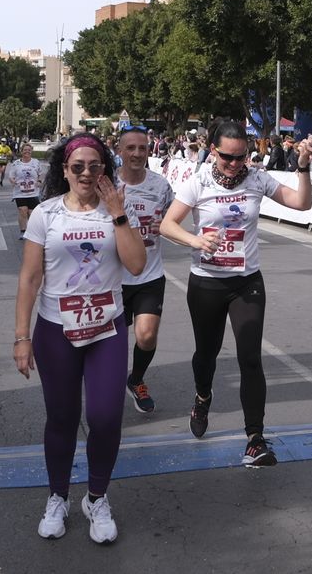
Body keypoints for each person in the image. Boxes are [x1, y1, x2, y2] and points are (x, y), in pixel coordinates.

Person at [159, 120, 312, 467]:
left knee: (250, 358)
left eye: (240, 156)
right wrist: (195, 240)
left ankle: (255, 439)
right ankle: (202, 397)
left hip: (246, 281)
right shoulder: (197, 182)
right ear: (213, 150)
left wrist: (303, 168)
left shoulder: (258, 178)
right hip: (207, 281)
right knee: (207, 353)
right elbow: (167, 225)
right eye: (227, 157)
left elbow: (302, 204)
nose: (234, 164)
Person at [14, 134, 145, 545]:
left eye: (95, 166)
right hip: (56, 329)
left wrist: (119, 214)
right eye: (78, 167)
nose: (87, 173)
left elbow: (138, 266)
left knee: (106, 417)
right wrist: (22, 336)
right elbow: (30, 277)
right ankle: (57, 496)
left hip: (107, 329)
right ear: (64, 170)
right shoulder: (46, 214)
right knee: (63, 417)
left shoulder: (116, 211)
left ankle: (96, 497)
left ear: (105, 169)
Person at [114, 126, 175, 414]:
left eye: (142, 148)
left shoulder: (161, 186)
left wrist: (168, 228)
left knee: (146, 335)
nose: (138, 153)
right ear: (119, 150)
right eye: (131, 148)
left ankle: (136, 380)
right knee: (111, 344)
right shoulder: (107, 185)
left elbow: (173, 222)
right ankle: (107, 388)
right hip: (112, 279)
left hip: (150, 275)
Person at [8, 143, 47, 239]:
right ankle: (23, 231)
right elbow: (11, 176)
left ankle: (32, 230)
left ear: (31, 151)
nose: (27, 152)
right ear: (21, 151)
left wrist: (39, 181)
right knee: (22, 210)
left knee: (32, 213)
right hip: (20, 192)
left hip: (33, 192)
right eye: (25, 150)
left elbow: (41, 174)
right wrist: (13, 181)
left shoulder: (36, 162)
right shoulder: (16, 163)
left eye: (29, 150)